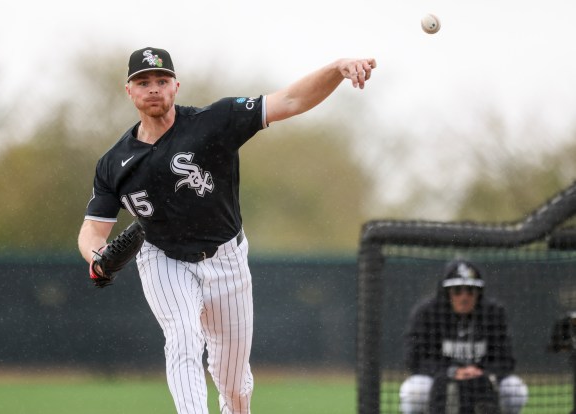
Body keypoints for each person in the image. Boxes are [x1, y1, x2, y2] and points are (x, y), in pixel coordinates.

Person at [77, 47, 376, 414]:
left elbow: (291, 100)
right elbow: (93, 229)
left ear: (175, 86)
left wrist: (336, 68)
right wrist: (96, 256)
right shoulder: (113, 163)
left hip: (226, 257)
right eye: (143, 82)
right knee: (183, 338)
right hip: (162, 257)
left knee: (233, 382)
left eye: (161, 80)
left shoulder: (214, 121)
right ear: (129, 91)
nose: (153, 88)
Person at [399, 259, 528, 414]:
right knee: (414, 391)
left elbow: (506, 359)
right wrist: (450, 372)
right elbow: (414, 358)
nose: (464, 297)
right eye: (457, 290)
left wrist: (482, 371)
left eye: (470, 290)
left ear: (479, 292)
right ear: (447, 292)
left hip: (482, 378)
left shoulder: (493, 313)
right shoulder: (427, 313)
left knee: (515, 390)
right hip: (439, 378)